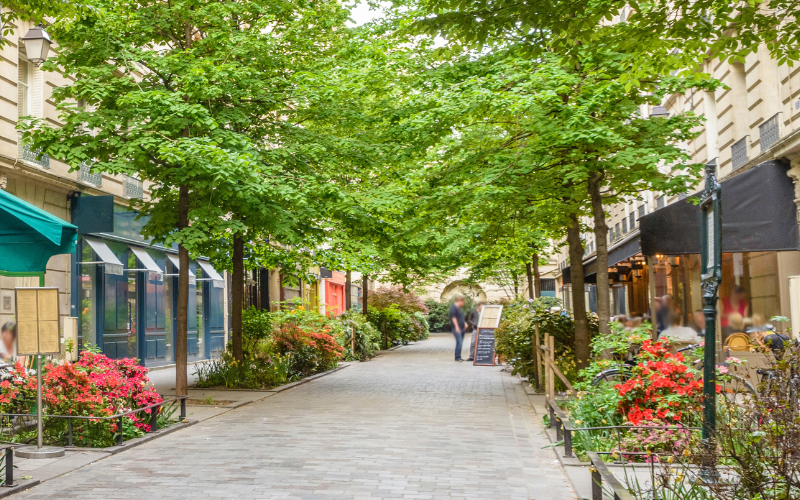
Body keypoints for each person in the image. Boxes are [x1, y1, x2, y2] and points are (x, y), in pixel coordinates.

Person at [449, 296, 466, 362]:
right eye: (463, 302)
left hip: (461, 328)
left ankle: (459, 356)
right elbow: (454, 318)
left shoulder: (458, 308)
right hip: (457, 328)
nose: (463, 303)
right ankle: (457, 357)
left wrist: (465, 323)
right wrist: (456, 327)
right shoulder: (453, 308)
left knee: (460, 343)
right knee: (459, 342)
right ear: (459, 301)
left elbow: (460, 317)